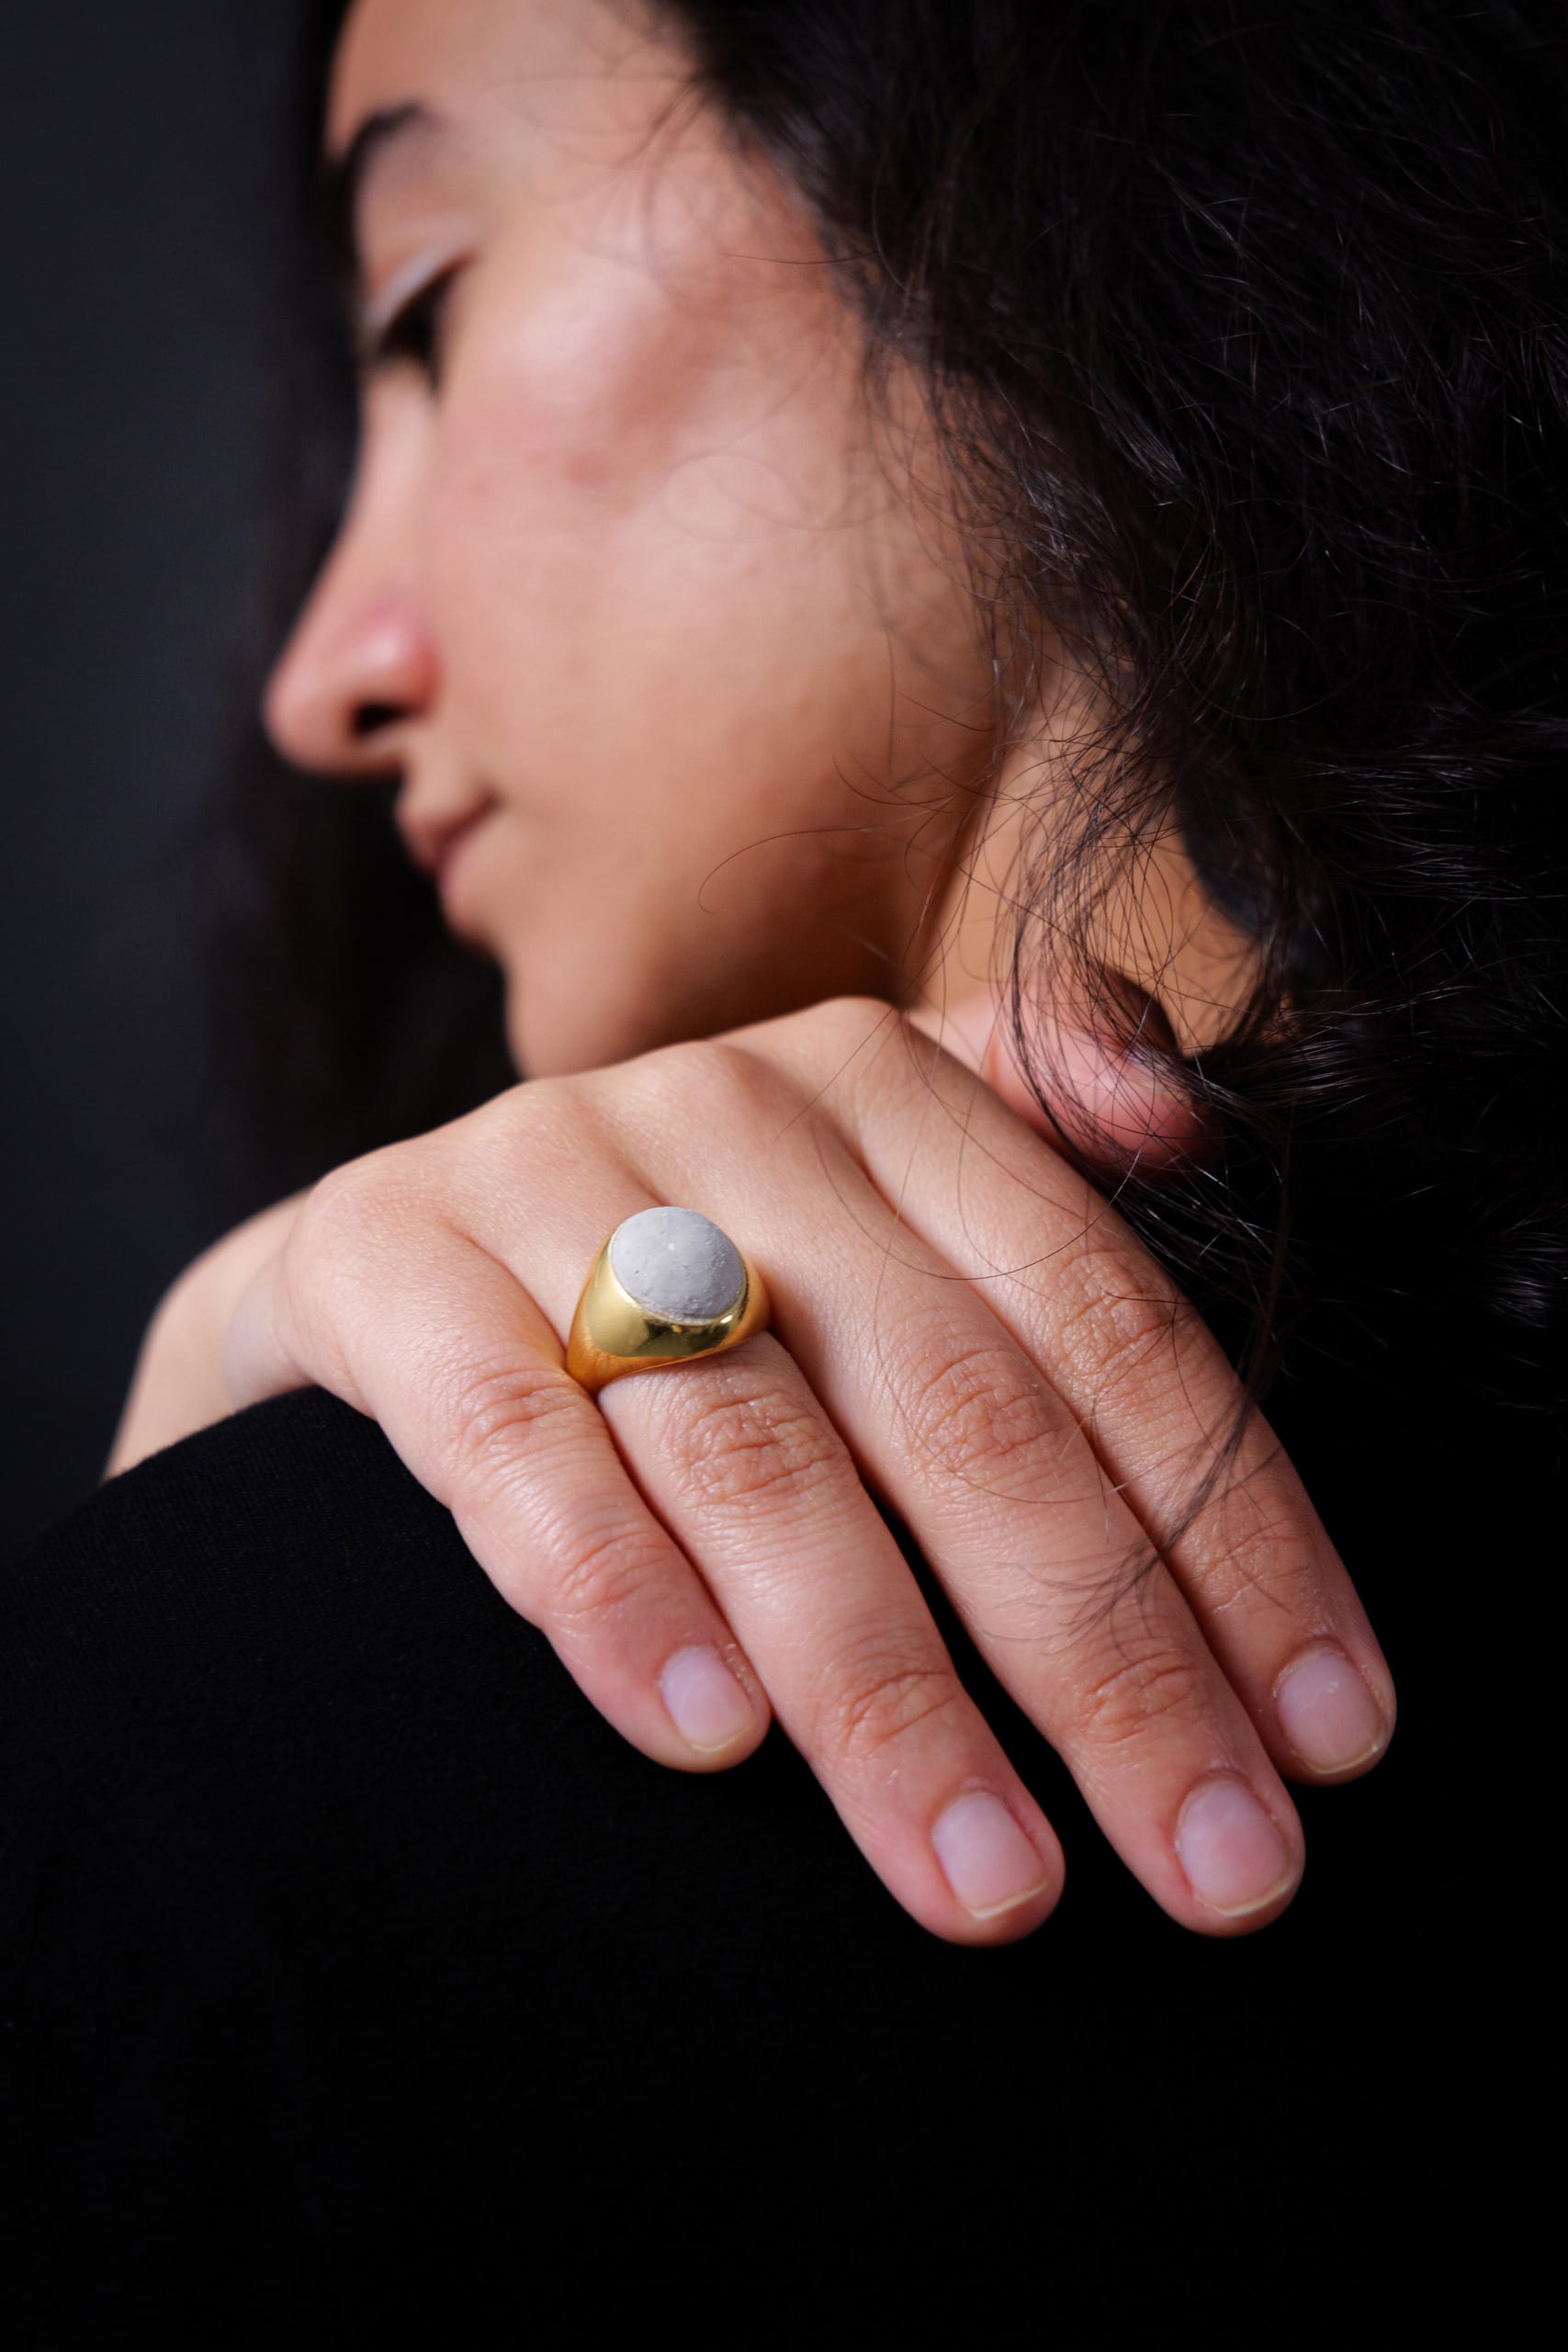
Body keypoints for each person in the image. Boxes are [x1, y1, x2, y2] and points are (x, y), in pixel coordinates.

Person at [4, 0, 1560, 2330]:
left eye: (428, 308)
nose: (325, 671)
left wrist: (156, 1663)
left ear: (1023, 155)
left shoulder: (278, 1750)